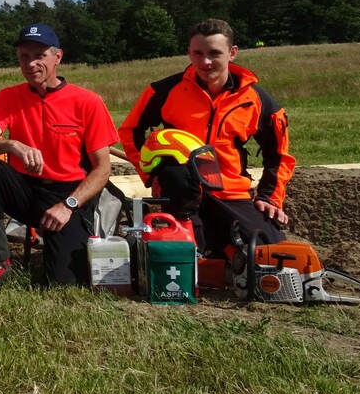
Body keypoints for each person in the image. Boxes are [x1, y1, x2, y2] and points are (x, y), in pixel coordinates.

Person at [0, 23, 118, 293]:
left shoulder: (87, 102)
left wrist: (68, 206)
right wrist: (11, 144)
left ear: (57, 57)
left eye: (39, 55)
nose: (31, 63)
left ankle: (59, 248)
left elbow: (103, 170)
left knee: (64, 284)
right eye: (24, 56)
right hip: (24, 188)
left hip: (67, 196)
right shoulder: (9, 97)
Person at [118, 18, 295, 257]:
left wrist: (269, 198)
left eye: (214, 53)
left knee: (266, 251)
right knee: (178, 179)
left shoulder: (258, 101)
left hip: (231, 191)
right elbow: (130, 131)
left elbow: (280, 156)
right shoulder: (164, 90)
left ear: (232, 53)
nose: (205, 62)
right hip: (182, 192)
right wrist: (151, 173)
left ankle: (219, 243)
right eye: (197, 53)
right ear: (189, 53)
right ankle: (195, 248)